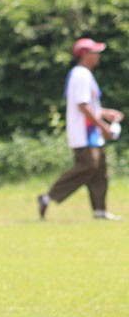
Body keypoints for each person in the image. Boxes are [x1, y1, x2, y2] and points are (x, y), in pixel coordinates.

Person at [38, 38, 124, 221]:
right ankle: (47, 197)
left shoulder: (85, 74)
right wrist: (104, 127)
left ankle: (100, 211)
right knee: (88, 166)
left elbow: (90, 105)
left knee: (100, 171)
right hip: (84, 134)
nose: (98, 56)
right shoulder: (80, 75)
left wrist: (105, 113)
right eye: (95, 52)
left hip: (92, 134)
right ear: (85, 54)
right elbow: (83, 106)